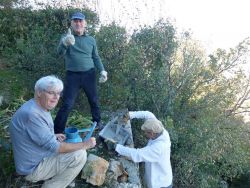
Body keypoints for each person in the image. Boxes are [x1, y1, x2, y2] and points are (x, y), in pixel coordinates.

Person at [9, 75, 96, 188]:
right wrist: (85, 144)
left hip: (33, 159)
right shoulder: (32, 115)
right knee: (80, 154)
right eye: (51, 93)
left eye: (59, 93)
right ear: (39, 92)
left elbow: (33, 134)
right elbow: (56, 147)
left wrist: (53, 136)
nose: (56, 97)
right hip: (32, 168)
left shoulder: (37, 106)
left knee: (75, 148)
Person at [54, 12, 107, 133]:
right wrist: (64, 43)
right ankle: (57, 131)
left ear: (85, 24)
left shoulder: (91, 40)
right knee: (67, 103)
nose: (78, 23)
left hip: (89, 74)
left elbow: (96, 57)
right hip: (72, 76)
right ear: (71, 24)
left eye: (80, 21)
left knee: (94, 100)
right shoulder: (67, 37)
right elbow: (59, 53)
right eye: (75, 21)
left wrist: (103, 70)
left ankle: (98, 123)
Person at [115, 111, 173, 188]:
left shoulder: (159, 147)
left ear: (152, 133)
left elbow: (137, 154)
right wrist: (130, 115)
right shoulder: (159, 129)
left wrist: (117, 147)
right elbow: (148, 114)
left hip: (161, 184)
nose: (144, 134)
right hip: (160, 179)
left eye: (146, 132)